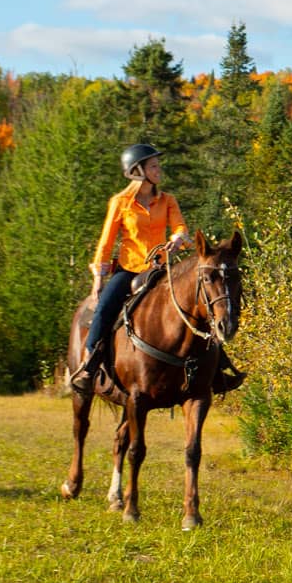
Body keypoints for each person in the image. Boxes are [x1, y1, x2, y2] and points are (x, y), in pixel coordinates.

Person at [68, 143, 191, 394]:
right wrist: (98, 280)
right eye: (153, 166)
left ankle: (217, 369)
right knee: (103, 309)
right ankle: (89, 366)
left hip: (160, 271)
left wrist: (178, 239)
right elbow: (105, 242)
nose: (159, 170)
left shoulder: (168, 200)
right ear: (138, 171)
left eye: (158, 165)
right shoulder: (120, 202)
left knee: (196, 302)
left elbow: (180, 228)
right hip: (129, 270)